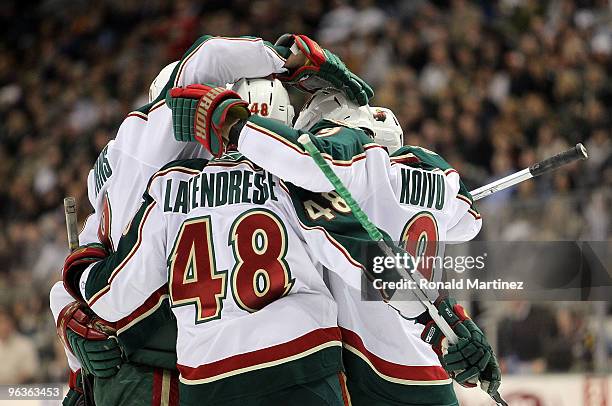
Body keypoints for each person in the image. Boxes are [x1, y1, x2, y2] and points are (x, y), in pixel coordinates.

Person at [51, 33, 370, 406]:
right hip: (294, 361)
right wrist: (442, 320)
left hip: (200, 372)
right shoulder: (296, 176)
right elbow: (366, 260)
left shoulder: (170, 183)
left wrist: (72, 329)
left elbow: (102, 285)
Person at [167, 86, 501, 405]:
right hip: (431, 358)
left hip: (367, 364)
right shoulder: (439, 174)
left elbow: (317, 173)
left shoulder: (346, 175)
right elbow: (469, 222)